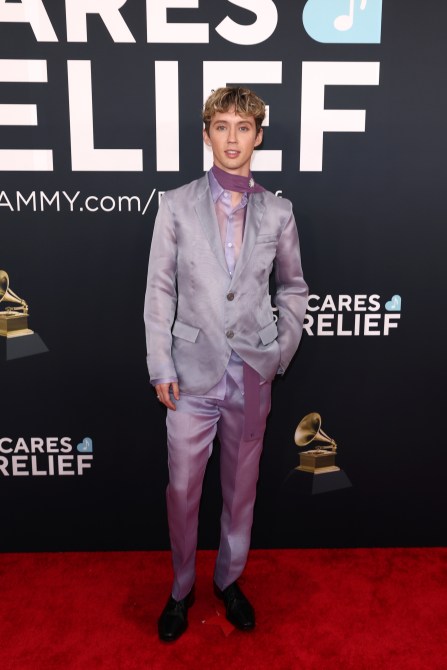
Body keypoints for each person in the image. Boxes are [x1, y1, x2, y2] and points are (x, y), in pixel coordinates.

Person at [144, 86, 308, 642]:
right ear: (206, 134)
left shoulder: (279, 212)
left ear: (258, 137)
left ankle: (229, 581)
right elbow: (160, 290)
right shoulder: (175, 205)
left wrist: (280, 351)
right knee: (182, 489)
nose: (232, 137)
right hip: (190, 374)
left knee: (241, 490)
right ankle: (182, 588)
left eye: (243, 127)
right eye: (221, 126)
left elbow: (293, 288)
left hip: (252, 374)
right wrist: (160, 364)